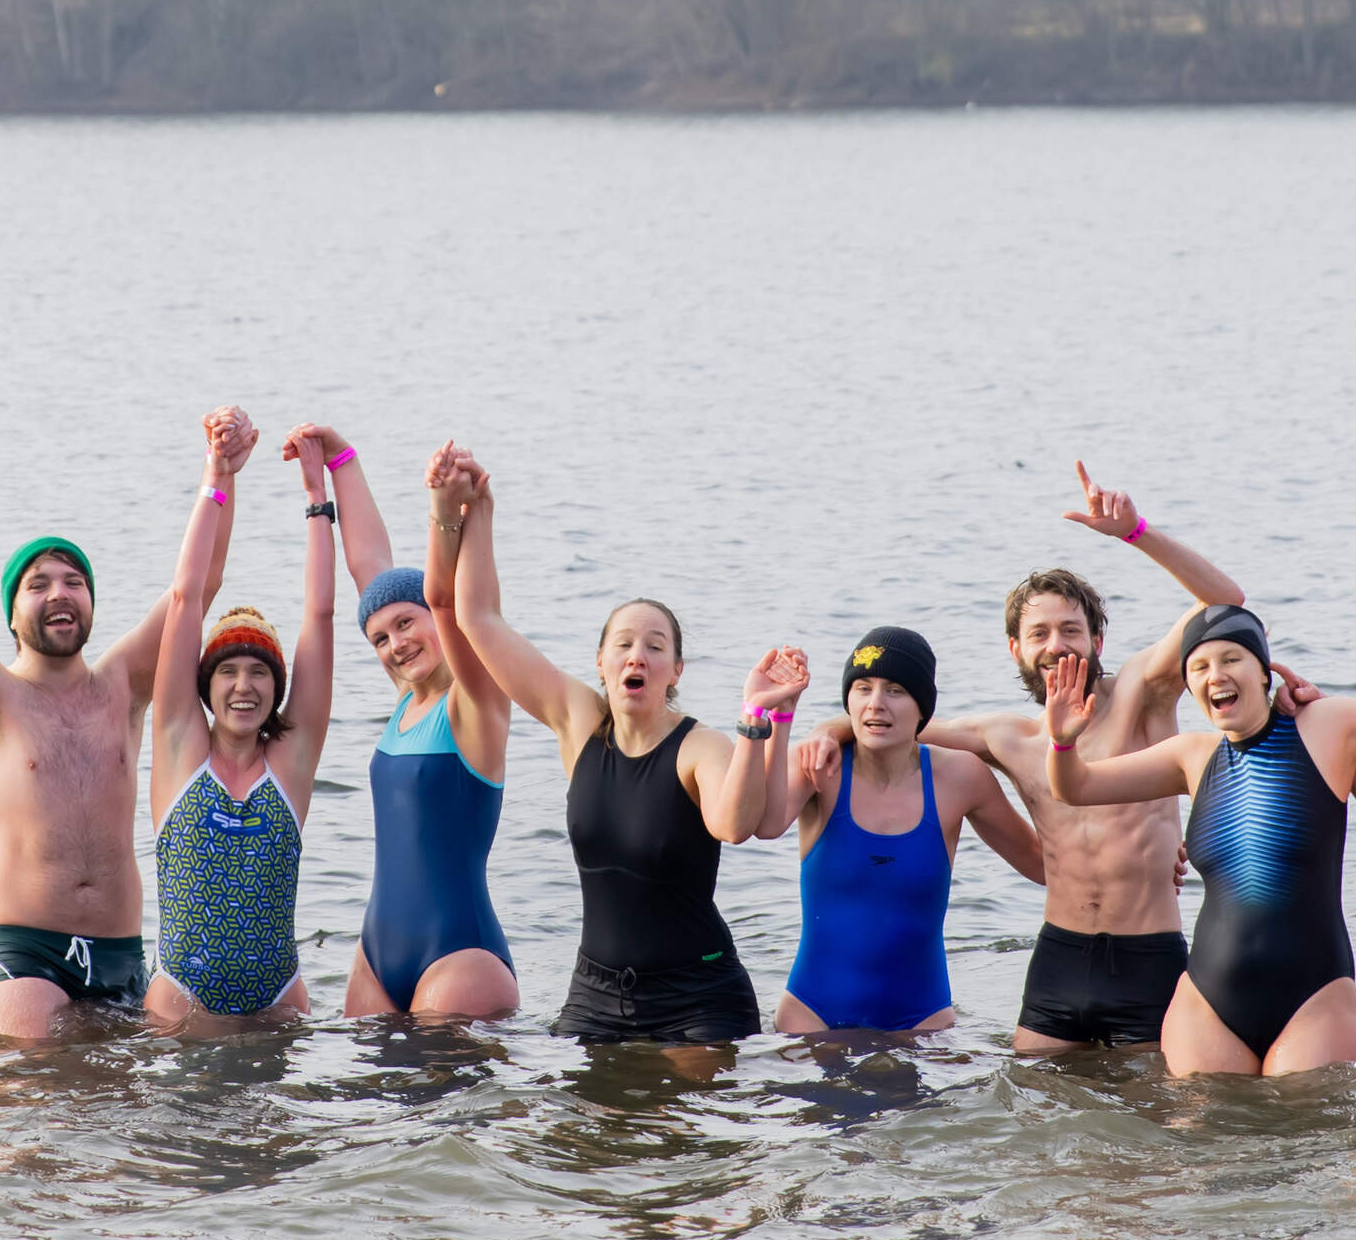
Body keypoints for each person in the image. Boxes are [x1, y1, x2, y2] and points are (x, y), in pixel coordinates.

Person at [812, 465, 1248, 1053]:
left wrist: (1135, 532)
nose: (1056, 645)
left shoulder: (1144, 693)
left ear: (1098, 640)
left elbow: (1225, 602)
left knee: (1155, 1134)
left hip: (1148, 956)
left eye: (1071, 630)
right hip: (1059, 960)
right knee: (1033, 1122)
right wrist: (826, 726)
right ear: (1016, 649)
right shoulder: (1006, 738)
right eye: (1039, 633)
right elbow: (894, 723)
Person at [424, 441, 802, 1053]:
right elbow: (477, 618)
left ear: (675, 669)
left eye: (655, 646)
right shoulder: (577, 723)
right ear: (601, 663)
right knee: (575, 1141)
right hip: (596, 993)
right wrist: (479, 508)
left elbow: (733, 825)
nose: (638, 655)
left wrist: (756, 717)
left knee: (684, 1141)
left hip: (697, 995)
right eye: (623, 644)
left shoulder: (699, 745)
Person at [0, 404, 243, 1038]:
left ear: (91, 603)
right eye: (37, 585)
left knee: (125, 1116)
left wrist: (222, 473)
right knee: (37, 1073)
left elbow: (200, 586)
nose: (58, 594)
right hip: (20, 947)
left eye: (73, 581)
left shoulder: (123, 685)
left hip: (121, 952)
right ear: (13, 614)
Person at [1038, 606, 1356, 1075]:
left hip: (1314, 997)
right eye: (1198, 667)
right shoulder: (1192, 757)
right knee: (1201, 1143)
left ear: (1264, 671)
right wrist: (1062, 742)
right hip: (1208, 1004)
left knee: (1318, 1140)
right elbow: (1075, 788)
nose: (1215, 675)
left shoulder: (1325, 726)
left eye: (1231, 659)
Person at [283, 423, 519, 1023]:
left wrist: (456, 512)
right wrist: (340, 462)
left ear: (439, 618)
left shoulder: (477, 701)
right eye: (380, 638)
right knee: (368, 1114)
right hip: (377, 954)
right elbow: (372, 567)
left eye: (408, 624)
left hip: (460, 956)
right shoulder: (405, 699)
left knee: (446, 1113)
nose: (396, 643)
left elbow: (466, 605)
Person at [142, 418, 337, 1034]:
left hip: (280, 1006)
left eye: (260, 672)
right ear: (206, 685)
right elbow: (185, 598)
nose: (244, 686)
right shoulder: (179, 749)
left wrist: (315, 499)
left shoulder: (291, 761)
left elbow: (322, 614)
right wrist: (217, 478)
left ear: (278, 687)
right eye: (227, 671)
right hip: (181, 1006)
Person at [763, 626, 1044, 1035]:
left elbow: (1042, 865)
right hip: (810, 1019)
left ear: (922, 708)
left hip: (924, 1023)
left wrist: (1142, 865)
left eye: (895, 690)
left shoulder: (961, 777)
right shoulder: (820, 766)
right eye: (863, 688)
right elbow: (765, 825)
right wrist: (781, 716)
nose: (876, 704)